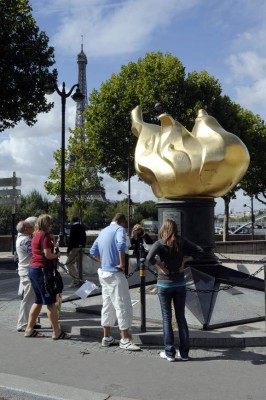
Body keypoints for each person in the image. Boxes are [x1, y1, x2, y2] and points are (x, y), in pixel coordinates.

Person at [145, 219, 204, 362]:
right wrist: (184, 262)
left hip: (164, 285)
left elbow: (149, 258)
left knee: (166, 318)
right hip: (180, 284)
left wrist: (161, 267)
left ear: (163, 229)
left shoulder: (160, 243)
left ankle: (169, 353)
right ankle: (184, 353)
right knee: (181, 318)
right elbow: (200, 251)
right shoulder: (181, 242)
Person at [90, 213, 140, 351]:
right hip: (115, 273)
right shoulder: (119, 230)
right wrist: (122, 263)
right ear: (122, 223)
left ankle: (107, 336)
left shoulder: (103, 231)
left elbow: (93, 251)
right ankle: (124, 339)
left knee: (107, 304)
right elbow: (121, 244)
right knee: (122, 304)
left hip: (104, 272)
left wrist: (104, 262)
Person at [25, 214, 70, 340]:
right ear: (46, 224)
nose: (52, 225)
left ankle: (29, 329)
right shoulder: (44, 236)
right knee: (50, 302)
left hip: (33, 269)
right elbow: (48, 255)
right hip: (42, 271)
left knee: (38, 300)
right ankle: (57, 332)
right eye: (50, 223)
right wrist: (57, 254)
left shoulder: (35, 235)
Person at [16, 216, 41, 332]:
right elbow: (36, 252)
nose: (34, 229)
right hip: (27, 272)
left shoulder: (23, 238)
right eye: (32, 228)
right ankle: (23, 324)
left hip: (26, 271)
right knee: (28, 298)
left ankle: (29, 322)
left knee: (30, 298)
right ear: (26, 229)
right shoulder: (25, 240)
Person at [66, 216, 87, 288]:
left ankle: (76, 279)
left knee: (68, 263)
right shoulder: (82, 227)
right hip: (81, 248)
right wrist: (83, 246)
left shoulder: (73, 227)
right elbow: (84, 237)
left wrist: (68, 250)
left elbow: (71, 240)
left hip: (74, 248)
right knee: (79, 264)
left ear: (72, 221)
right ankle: (79, 280)